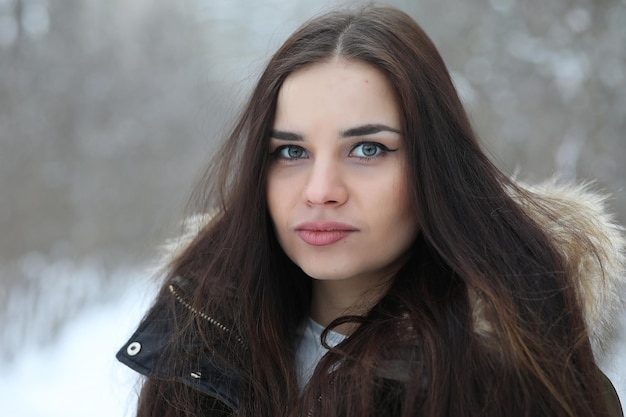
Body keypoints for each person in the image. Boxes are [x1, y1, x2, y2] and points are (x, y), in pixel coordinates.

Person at [117, 5, 624, 417]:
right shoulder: (198, 343)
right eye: (291, 152)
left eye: (368, 149)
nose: (320, 191)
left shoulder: (525, 381)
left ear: (436, 166)